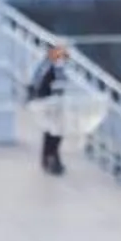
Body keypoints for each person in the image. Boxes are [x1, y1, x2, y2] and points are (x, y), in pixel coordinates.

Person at [27, 45, 70, 174]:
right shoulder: (48, 66)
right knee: (54, 131)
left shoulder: (51, 65)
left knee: (54, 131)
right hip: (48, 102)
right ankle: (51, 159)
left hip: (54, 102)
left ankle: (50, 158)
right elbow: (39, 83)